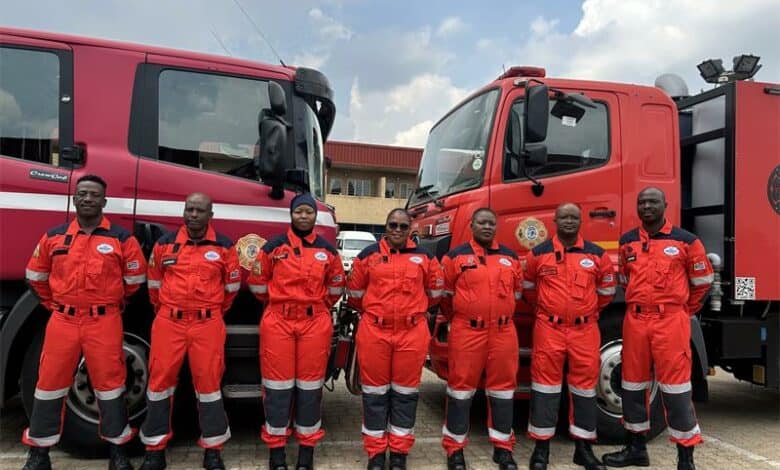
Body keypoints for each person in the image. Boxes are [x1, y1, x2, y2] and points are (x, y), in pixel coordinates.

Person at [22, 174, 146, 470]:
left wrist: (109, 304)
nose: (87, 198)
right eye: (82, 193)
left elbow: (134, 280)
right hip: (63, 320)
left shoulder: (121, 239)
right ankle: (39, 453)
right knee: (49, 385)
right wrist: (56, 305)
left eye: (94, 195)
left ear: (104, 201)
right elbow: (35, 276)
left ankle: (118, 451)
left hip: (104, 322)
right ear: (74, 199)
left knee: (111, 385)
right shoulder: (54, 236)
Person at [602, 188, 713, 470]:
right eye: (642, 202)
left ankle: (685, 457)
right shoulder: (627, 242)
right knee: (632, 384)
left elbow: (701, 282)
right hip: (636, 321)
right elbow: (626, 280)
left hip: (670, 321)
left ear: (665, 205)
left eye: (653, 201)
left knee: (676, 388)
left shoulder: (687, 241)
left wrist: (682, 310)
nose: (647, 206)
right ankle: (636, 448)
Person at [138, 193, 240, 470]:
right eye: (189, 209)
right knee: (159, 385)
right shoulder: (164, 244)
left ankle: (213, 448)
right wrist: (171, 311)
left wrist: (209, 312)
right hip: (169, 322)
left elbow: (231, 289)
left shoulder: (224, 247)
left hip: (207, 324)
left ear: (210, 215)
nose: (193, 214)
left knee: (209, 387)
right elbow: (153, 286)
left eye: (199, 210)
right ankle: (154, 449)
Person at [247, 193, 345, 470]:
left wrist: (314, 307)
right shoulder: (274, 248)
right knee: (277, 389)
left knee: (310, 388)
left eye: (308, 212)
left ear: (315, 216)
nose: (303, 216)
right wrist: (281, 304)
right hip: (278, 322)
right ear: (291, 215)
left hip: (315, 324)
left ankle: (306, 451)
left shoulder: (328, 251)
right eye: (299, 212)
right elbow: (257, 283)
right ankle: (276, 452)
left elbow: (336, 287)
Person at [347, 208, 444, 470]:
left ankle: (399, 453)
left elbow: (435, 293)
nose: (397, 230)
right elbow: (355, 294)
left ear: (410, 229)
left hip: (411, 333)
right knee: (375, 394)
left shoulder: (424, 257)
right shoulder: (368, 256)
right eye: (393, 225)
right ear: (385, 226)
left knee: (405, 394)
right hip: (375, 331)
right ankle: (376, 453)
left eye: (403, 226)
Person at [524, 203, 616, 470]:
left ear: (580, 221)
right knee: (544, 388)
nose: (568, 221)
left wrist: (584, 312)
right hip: (548, 329)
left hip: (584, 330)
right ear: (554, 220)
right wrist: (549, 311)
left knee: (585, 390)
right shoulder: (538, 254)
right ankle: (541, 450)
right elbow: (529, 289)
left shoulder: (597, 254)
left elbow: (606, 292)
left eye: (573, 217)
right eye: (563, 217)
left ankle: (584, 449)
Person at [439, 208, 523, 470]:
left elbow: (517, 294)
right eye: (481, 223)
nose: (487, 227)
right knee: (460, 391)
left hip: (503, 332)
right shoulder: (455, 257)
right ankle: (455, 450)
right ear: (472, 226)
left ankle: (503, 448)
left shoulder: (510, 257)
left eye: (491, 223)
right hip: (467, 331)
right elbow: (445, 296)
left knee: (503, 391)